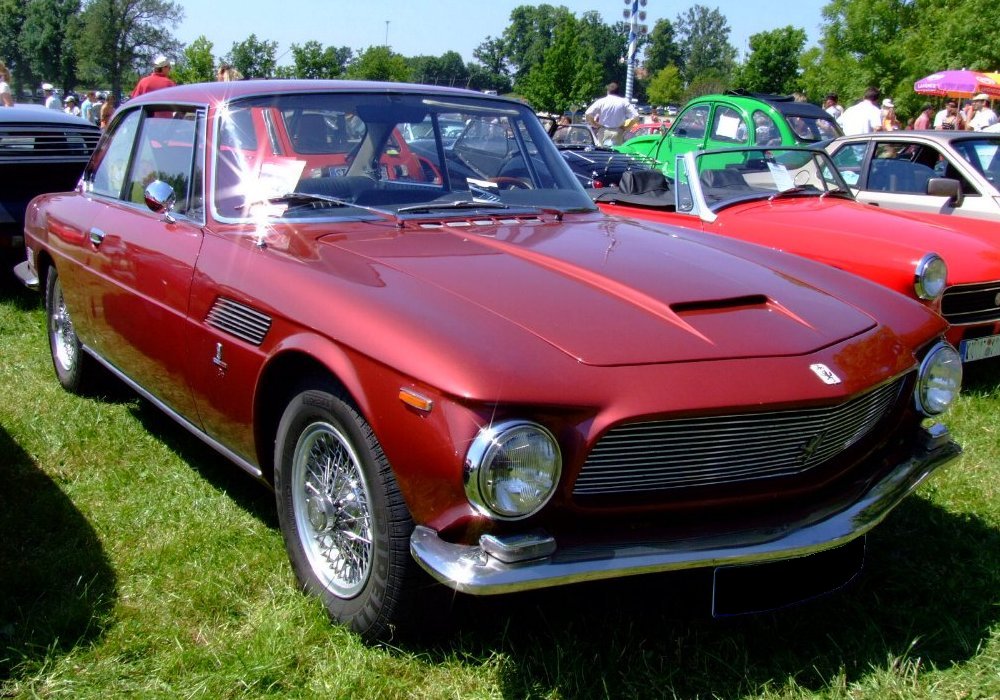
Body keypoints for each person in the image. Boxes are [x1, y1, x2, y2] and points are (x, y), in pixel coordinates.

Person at [585, 82, 639, 146]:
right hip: (618, 131)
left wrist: (594, 124)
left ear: (608, 91)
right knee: (616, 151)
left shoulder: (602, 101)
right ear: (618, 92)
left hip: (604, 131)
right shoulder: (624, 102)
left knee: (602, 151)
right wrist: (626, 127)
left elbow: (588, 113)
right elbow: (636, 116)